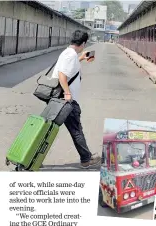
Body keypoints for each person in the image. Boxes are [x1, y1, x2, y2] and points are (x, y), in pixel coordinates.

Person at [51, 30, 101, 169]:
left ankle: (33, 157)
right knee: (76, 130)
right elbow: (62, 75)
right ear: (83, 43)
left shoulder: (69, 53)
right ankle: (86, 159)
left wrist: (81, 58)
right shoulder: (70, 55)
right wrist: (67, 94)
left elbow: (68, 69)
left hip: (61, 99)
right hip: (67, 101)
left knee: (67, 129)